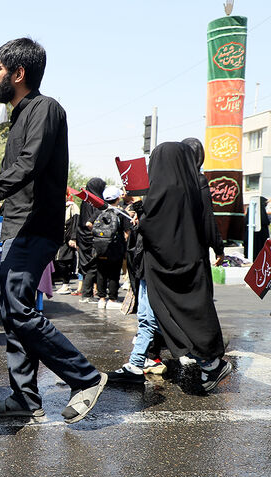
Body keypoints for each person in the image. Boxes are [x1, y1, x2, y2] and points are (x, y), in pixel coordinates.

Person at [0, 37, 106, 424]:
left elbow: (28, 165)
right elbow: (10, 174)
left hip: (37, 227)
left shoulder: (46, 109)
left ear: (18, 74)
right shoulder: (18, 116)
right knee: (10, 310)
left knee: (19, 307)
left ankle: (85, 377)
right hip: (15, 227)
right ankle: (24, 398)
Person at [127, 142, 231, 392]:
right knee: (196, 315)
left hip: (167, 271)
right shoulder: (194, 186)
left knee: (171, 317)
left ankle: (211, 364)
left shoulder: (164, 189)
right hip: (192, 263)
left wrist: (140, 212)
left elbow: (155, 229)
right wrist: (218, 248)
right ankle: (209, 361)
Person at [182, 138, 225, 266]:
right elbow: (207, 219)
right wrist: (219, 249)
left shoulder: (170, 181)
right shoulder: (199, 181)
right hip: (195, 251)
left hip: (171, 251)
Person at [93, 186, 131, 310]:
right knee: (114, 273)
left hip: (100, 247)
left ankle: (102, 299)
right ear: (117, 198)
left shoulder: (100, 211)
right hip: (116, 248)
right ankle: (112, 299)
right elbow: (127, 232)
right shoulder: (121, 212)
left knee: (101, 273)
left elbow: (89, 224)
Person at [76, 177, 106, 303]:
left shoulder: (85, 202)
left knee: (87, 265)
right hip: (92, 237)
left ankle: (87, 293)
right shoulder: (96, 203)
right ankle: (87, 294)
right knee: (93, 266)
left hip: (82, 237)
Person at [54, 188, 79, 295]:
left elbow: (76, 223)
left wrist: (73, 238)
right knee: (57, 261)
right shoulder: (55, 205)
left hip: (67, 239)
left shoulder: (72, 207)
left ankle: (66, 284)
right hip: (56, 238)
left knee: (65, 261)